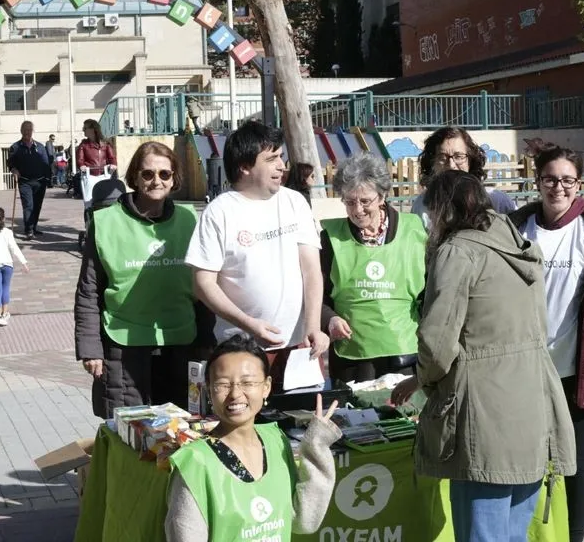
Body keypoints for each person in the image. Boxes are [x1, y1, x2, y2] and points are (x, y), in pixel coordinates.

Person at [414, 169, 575, 542]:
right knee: (512, 532)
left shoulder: (458, 251)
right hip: (532, 403)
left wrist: (424, 378)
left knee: (481, 532)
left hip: (483, 412)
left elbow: (437, 344)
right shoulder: (520, 244)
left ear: (441, 210)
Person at [509, 145, 584, 542]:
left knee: (576, 462)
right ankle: (530, 530)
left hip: (575, 370)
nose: (557, 188)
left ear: (579, 184)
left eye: (567, 180)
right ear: (537, 182)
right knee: (524, 457)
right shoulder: (515, 228)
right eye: (549, 179)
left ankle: (574, 536)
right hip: (522, 370)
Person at [186, 120, 329, 388]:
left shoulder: (294, 202)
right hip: (242, 349)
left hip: (300, 349)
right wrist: (249, 324)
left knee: (302, 423)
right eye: (272, 158)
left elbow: (311, 269)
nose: (281, 166)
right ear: (245, 166)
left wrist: (313, 326)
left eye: (281, 157)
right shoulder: (219, 212)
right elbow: (203, 283)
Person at [75, 141, 213, 416]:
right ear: (135, 176)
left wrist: (207, 337)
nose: (156, 181)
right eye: (148, 174)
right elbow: (88, 290)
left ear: (175, 179)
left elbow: (202, 284)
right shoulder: (105, 223)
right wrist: (90, 349)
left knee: (181, 429)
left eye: (165, 174)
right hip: (124, 345)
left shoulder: (189, 219)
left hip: (180, 341)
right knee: (129, 432)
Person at [165, 336, 342, 542]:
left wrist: (316, 445)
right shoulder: (194, 463)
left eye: (247, 382)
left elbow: (303, 521)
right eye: (222, 384)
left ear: (266, 387)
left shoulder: (275, 440)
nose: (235, 394)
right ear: (208, 389)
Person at [320, 153, 426, 383]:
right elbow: (316, 295)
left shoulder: (415, 231)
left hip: (405, 350)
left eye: (365, 201)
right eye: (349, 202)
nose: (357, 210)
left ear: (382, 196)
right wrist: (330, 318)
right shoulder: (330, 238)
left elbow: (431, 289)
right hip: (353, 354)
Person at [411, 127, 516, 230]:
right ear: (432, 162)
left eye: (459, 156)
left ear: (471, 160)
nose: (451, 165)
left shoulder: (497, 200)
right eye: (442, 158)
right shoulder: (422, 205)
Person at [7, 121, 53, 240]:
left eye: (29, 129)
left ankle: (34, 227)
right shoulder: (15, 147)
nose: (27, 132)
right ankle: (28, 230)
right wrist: (14, 170)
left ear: (32, 131)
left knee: (37, 206)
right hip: (25, 181)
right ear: (21, 131)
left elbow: (46, 163)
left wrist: (48, 179)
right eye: (25, 129)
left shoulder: (40, 147)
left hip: (40, 181)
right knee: (28, 205)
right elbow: (11, 163)